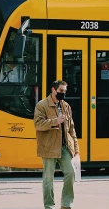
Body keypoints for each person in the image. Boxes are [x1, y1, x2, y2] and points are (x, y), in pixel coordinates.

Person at [34, 79, 78, 209]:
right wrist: (55, 121)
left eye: (64, 91)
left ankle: (66, 204)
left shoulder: (65, 106)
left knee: (71, 173)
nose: (63, 94)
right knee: (48, 178)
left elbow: (71, 128)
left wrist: (76, 147)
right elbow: (38, 124)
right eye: (61, 91)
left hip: (64, 147)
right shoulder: (42, 105)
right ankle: (49, 206)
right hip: (49, 146)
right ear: (53, 90)